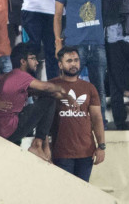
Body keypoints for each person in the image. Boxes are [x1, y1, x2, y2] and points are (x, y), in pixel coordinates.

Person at [48, 46, 106, 183]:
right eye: (69, 61)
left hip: (86, 152)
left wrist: (101, 146)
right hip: (61, 152)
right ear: (60, 64)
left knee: (82, 194)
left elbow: (97, 118)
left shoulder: (89, 87)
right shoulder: (50, 86)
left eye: (76, 60)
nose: (73, 64)